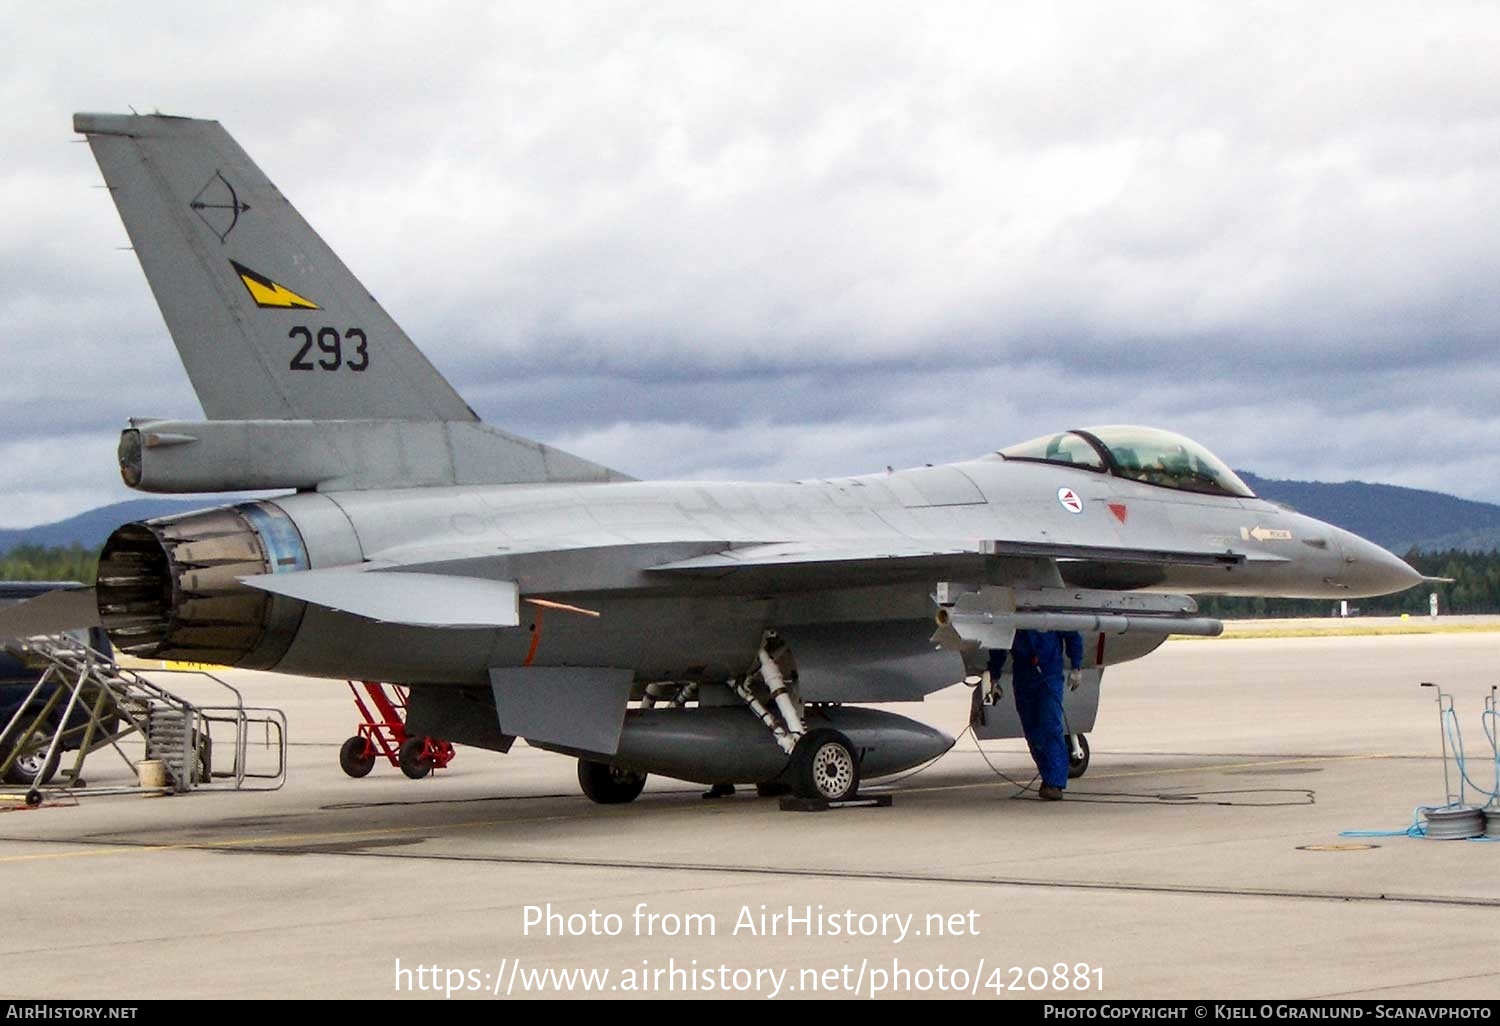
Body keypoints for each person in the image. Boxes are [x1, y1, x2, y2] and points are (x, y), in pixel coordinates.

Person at [988, 629, 1084, 801]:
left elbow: (1071, 633)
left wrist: (1076, 666)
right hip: (1024, 674)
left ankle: (1054, 783)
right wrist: (994, 678)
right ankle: (1048, 778)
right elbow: (999, 642)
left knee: (1050, 726)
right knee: (1032, 730)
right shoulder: (1013, 612)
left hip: (1049, 673)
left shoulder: (1048, 608)